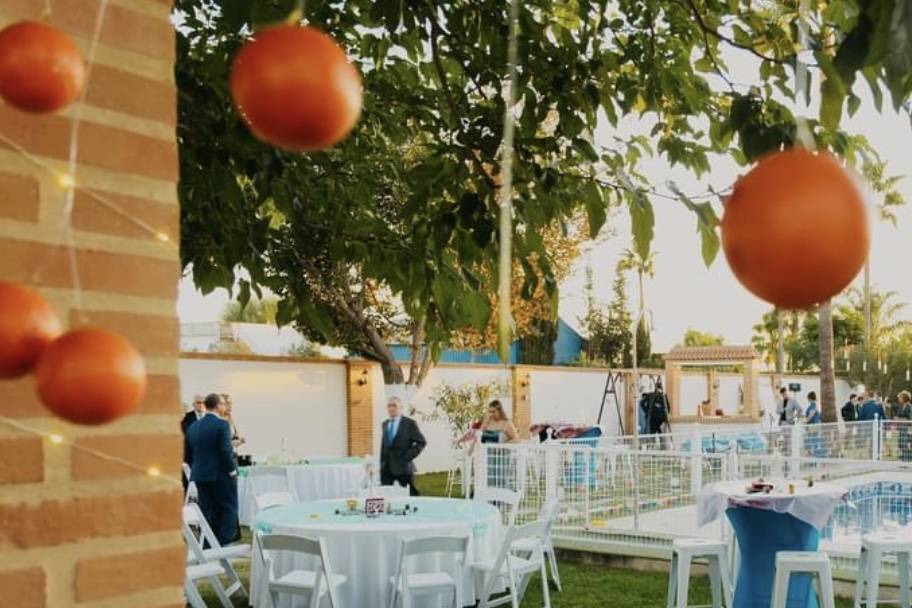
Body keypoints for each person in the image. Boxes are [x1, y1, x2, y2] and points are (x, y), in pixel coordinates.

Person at [186, 393, 240, 545]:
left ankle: (207, 543)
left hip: (200, 474)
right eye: (223, 404)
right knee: (229, 507)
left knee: (207, 510)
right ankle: (223, 542)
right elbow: (225, 450)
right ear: (217, 406)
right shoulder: (222, 425)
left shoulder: (193, 426)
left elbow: (192, 451)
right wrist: (232, 470)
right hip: (220, 474)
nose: (224, 407)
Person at [380, 397, 426, 496]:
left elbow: (421, 442)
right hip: (387, 468)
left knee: (412, 494)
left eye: (394, 405)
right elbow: (384, 446)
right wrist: (381, 464)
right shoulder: (385, 424)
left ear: (400, 408)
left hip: (403, 467)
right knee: (385, 495)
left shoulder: (409, 424)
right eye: (389, 406)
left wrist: (408, 456)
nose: (391, 408)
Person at [181, 395, 206, 490]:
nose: (201, 405)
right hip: (190, 459)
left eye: (203, 403)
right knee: (190, 487)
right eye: (198, 403)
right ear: (193, 404)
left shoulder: (210, 417)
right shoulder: (186, 417)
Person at [896, 391, 912, 462]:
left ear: (904, 398)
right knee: (901, 443)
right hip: (901, 428)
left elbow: (909, 418)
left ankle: (906, 459)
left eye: (900, 398)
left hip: (907, 428)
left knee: (905, 443)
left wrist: (899, 419)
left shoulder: (909, 406)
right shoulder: (901, 406)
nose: (899, 399)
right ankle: (904, 458)